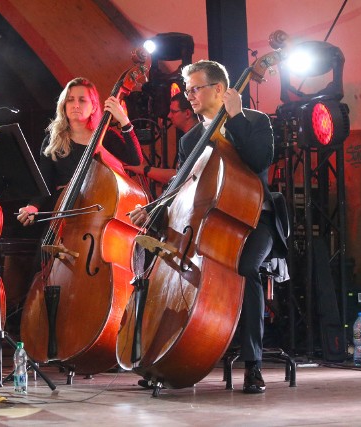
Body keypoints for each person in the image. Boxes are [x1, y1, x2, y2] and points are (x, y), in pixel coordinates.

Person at [129, 60, 287, 394]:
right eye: (187, 91)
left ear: (219, 89)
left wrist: (237, 118)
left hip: (255, 219)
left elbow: (259, 162)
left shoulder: (256, 122)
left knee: (246, 269)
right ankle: (163, 355)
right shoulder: (191, 140)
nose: (189, 97)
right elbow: (182, 187)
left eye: (195, 88)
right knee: (163, 260)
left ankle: (253, 365)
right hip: (207, 223)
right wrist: (154, 212)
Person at [16, 77, 143, 226]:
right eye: (70, 100)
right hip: (63, 215)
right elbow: (45, 180)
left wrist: (124, 121)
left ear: (94, 107)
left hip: (98, 217)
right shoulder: (53, 139)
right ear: (63, 105)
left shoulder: (105, 137)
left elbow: (135, 159)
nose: (75, 105)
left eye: (82, 100)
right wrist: (33, 206)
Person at [124, 92, 199, 185]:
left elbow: (180, 177)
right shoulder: (196, 135)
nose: (169, 116)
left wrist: (144, 169)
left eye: (173, 111)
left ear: (187, 113)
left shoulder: (191, 139)